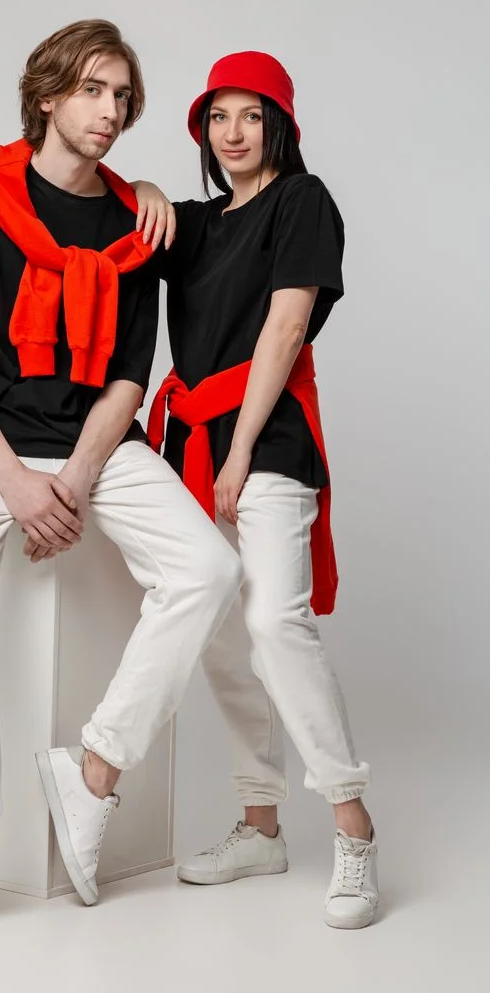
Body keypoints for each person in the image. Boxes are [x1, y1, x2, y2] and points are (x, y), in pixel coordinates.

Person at [0, 20, 242, 952]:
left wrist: (76, 480)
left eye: (122, 96)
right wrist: (13, 482)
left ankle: (94, 770)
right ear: (45, 96)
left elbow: (130, 376)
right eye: (92, 89)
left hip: (90, 441)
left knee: (208, 569)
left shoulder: (135, 225)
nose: (110, 110)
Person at [142, 51, 379, 929]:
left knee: (277, 621)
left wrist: (239, 450)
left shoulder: (302, 202)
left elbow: (286, 327)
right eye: (217, 117)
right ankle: (261, 826)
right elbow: (126, 214)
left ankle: (353, 827)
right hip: (189, 445)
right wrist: (142, 185)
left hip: (265, 439)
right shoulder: (197, 224)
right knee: (221, 639)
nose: (232, 132)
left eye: (251, 115)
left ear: (280, 124)